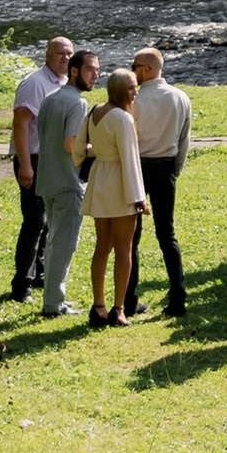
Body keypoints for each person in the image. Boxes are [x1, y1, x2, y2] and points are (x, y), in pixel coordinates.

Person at [123, 44, 192, 321]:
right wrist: (176, 168)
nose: (132, 72)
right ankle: (178, 297)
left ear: (147, 69)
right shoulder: (180, 97)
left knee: (132, 236)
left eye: (134, 67)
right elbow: (185, 138)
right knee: (167, 234)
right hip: (166, 167)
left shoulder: (135, 101)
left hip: (137, 167)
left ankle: (128, 299)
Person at [77, 68, 147, 331]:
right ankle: (118, 309)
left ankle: (98, 306)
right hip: (119, 184)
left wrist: (95, 154)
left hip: (99, 180)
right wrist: (139, 197)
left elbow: (78, 149)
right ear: (120, 90)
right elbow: (130, 159)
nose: (135, 92)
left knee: (102, 246)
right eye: (131, 88)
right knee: (124, 249)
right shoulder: (123, 118)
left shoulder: (94, 111)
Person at [33, 46, 98, 318]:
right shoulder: (77, 103)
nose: (95, 75)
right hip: (68, 183)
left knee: (53, 242)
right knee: (64, 244)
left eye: (97, 70)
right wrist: (100, 147)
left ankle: (52, 298)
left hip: (47, 180)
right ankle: (53, 304)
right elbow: (71, 144)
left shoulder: (50, 98)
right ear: (74, 71)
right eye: (89, 69)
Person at [9, 35, 71, 302]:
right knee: (34, 222)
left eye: (69, 54)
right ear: (47, 55)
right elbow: (20, 124)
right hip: (33, 159)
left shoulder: (64, 83)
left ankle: (39, 275)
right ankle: (21, 285)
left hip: (51, 160)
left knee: (48, 222)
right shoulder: (35, 83)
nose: (65, 58)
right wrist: (25, 165)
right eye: (60, 53)